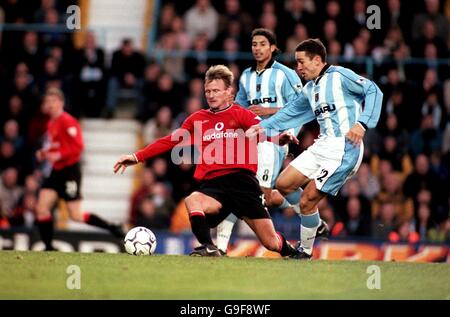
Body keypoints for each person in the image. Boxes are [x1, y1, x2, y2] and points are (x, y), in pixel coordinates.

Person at [113, 65, 298, 257]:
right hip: (214, 185)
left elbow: (262, 129)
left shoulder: (240, 114)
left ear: (229, 92)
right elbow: (170, 140)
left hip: (243, 184)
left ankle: (292, 252)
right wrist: (137, 157)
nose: (211, 95)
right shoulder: (197, 119)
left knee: (271, 242)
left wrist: (279, 138)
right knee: (193, 201)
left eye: (216, 90)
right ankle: (208, 247)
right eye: (208, 91)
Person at [247, 39, 383, 259]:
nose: (297, 67)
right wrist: (261, 127)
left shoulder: (340, 76)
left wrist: (362, 123)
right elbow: (290, 112)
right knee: (283, 183)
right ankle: (316, 224)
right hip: (322, 145)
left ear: (317, 60)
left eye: (301, 62)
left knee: (307, 199)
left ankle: (305, 251)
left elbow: (374, 91)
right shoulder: (310, 89)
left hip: (345, 148)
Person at [215, 28, 328, 254]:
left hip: (274, 140)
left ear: (273, 48)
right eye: (254, 44)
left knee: (258, 194)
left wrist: (275, 117)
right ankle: (219, 247)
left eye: (262, 44)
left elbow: (303, 105)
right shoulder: (246, 75)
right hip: (252, 140)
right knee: (257, 191)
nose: (257, 48)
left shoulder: (285, 74)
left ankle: (220, 246)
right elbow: (240, 107)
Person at [35, 88, 124, 251]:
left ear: (61, 103)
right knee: (41, 208)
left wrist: (59, 155)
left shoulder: (67, 121)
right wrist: (45, 153)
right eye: (48, 102)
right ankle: (48, 246)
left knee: (75, 216)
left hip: (70, 172)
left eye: (53, 101)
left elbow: (78, 147)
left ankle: (112, 227)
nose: (51, 105)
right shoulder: (51, 123)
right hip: (57, 171)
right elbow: (57, 146)